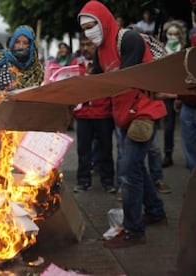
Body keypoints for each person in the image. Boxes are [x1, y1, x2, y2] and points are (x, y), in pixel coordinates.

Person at [78, 0, 167, 249]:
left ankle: (134, 229)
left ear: (103, 20)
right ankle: (156, 212)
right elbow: (97, 81)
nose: (88, 32)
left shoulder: (129, 40)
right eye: (84, 28)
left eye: (91, 25)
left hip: (143, 114)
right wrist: (68, 83)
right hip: (124, 116)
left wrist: (90, 83)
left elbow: (122, 80)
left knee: (127, 171)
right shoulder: (100, 50)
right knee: (137, 168)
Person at [0, 25, 44, 139]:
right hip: (0, 115)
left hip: (25, 119)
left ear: (31, 45)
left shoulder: (37, 68)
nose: (21, 46)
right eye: (17, 42)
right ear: (12, 42)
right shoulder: (2, 56)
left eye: (25, 43)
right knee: (1, 151)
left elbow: (40, 91)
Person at [71, 34, 115, 193]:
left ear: (96, 46)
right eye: (83, 44)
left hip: (103, 113)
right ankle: (83, 181)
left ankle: (108, 181)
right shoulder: (76, 64)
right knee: (83, 151)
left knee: (106, 150)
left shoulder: (106, 64)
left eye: (89, 44)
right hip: (83, 115)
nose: (85, 48)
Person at [161, 20, 188, 168]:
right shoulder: (162, 51)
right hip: (167, 93)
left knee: (188, 125)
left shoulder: (184, 50)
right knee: (169, 125)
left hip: (184, 93)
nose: (172, 37)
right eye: (170, 34)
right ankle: (168, 154)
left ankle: (190, 156)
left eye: (175, 34)